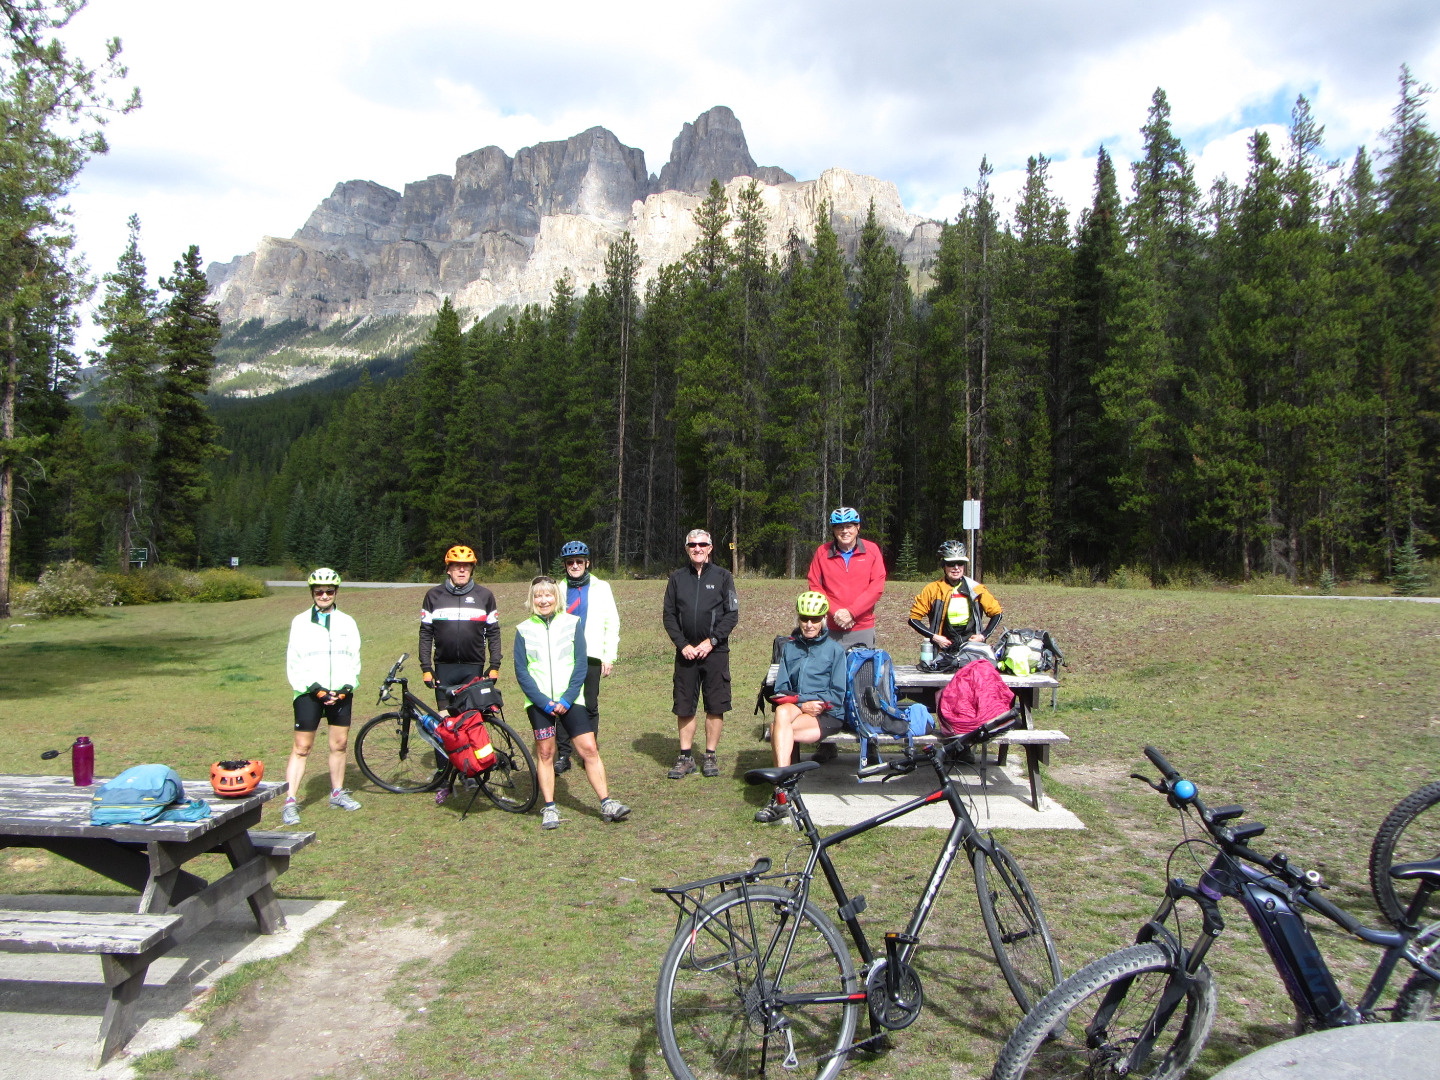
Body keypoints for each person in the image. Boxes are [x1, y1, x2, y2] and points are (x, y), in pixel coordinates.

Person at [514, 575, 630, 830]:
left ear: (557, 597)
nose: (544, 600)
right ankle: (550, 807)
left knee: (589, 748)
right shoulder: (523, 629)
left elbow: (580, 664)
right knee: (545, 753)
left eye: (548, 594)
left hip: (571, 699)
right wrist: (543, 702)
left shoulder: (572, 622)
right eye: (538, 595)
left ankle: (607, 802)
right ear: (532, 600)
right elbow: (522, 672)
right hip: (539, 702)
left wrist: (567, 698)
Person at [755, 592, 848, 823]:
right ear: (798, 618)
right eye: (804, 618)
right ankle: (783, 792)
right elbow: (782, 688)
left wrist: (812, 704)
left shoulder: (835, 650)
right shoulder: (790, 648)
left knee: (779, 728)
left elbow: (837, 694)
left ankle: (779, 795)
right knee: (781, 712)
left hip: (825, 712)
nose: (809, 624)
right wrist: (802, 702)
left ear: (823, 620)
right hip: (799, 705)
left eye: (815, 619)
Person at [282, 568, 362, 826]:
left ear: (336, 592)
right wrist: (315, 688)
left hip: (340, 692)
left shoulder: (347, 622)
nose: (324, 595)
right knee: (302, 748)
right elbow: (295, 661)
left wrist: (345, 688)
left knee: (338, 745)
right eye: (319, 591)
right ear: (312, 593)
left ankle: (337, 792)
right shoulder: (300, 622)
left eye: (329, 591)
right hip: (308, 692)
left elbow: (354, 658)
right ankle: (291, 801)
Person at [661, 528, 739, 779]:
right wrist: (682, 644)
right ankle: (685, 757)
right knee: (684, 706)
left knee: (715, 705)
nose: (698, 548)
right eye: (693, 545)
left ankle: (710, 755)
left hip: (715, 651)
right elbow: (669, 615)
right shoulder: (677, 578)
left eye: (702, 544)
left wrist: (712, 641)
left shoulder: (724, 576)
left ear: (710, 547)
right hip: (686, 653)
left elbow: (731, 614)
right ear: (687, 548)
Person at [553, 540, 620, 776]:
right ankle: (563, 754)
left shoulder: (601, 588)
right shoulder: (557, 589)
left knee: (590, 705)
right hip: (564, 656)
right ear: (565, 565)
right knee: (562, 704)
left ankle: (588, 751)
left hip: (591, 655)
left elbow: (611, 622)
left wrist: (608, 655)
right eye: (570, 562)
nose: (574, 565)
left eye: (579, 561)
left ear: (587, 562)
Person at [419, 545, 501, 708]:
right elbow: (426, 633)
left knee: (471, 721)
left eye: (467, 566)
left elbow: (493, 633)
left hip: (473, 667)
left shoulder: (485, 596)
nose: (462, 570)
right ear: (448, 569)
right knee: (446, 721)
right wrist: (426, 667)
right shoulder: (433, 596)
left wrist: (494, 665)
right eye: (457, 566)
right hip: (444, 668)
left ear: (472, 569)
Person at [807, 506, 887, 649]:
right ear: (833, 530)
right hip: (831, 627)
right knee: (830, 670)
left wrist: (852, 612)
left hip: (862, 627)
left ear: (858, 527)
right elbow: (815, 586)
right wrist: (836, 612)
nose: (845, 531)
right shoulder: (822, 552)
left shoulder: (872, 550)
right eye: (839, 527)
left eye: (849, 526)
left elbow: (876, 588)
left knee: (863, 670)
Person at [907, 540, 1003, 655]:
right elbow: (913, 619)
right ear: (943, 565)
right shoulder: (932, 590)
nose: (956, 568)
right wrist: (935, 637)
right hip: (942, 647)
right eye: (951, 564)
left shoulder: (976, 588)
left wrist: (983, 636)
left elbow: (997, 613)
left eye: (960, 563)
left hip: (971, 646)